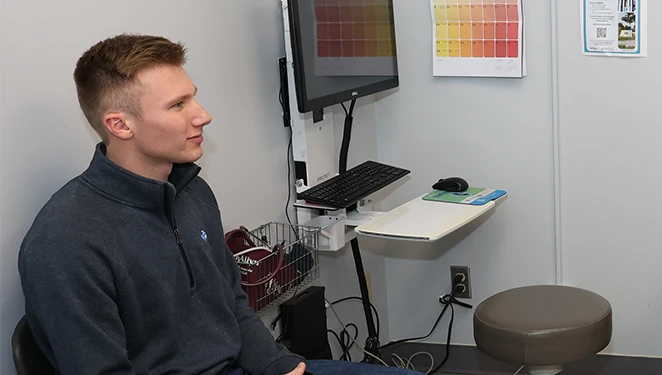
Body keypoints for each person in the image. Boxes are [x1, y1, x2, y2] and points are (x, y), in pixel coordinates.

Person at [17, 34, 421, 375]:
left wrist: (278, 364)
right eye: (178, 106)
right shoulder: (65, 242)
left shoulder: (191, 192)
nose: (203, 116)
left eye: (193, 98)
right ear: (120, 125)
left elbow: (230, 301)